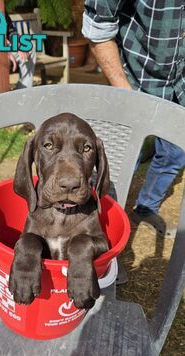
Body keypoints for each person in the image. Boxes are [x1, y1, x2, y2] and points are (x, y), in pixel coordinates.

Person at [82, 1, 185, 238]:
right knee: (116, 164)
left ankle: (145, 208)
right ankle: (97, 232)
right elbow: (98, 27)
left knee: (175, 153)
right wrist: (125, 96)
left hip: (180, 84)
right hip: (133, 79)